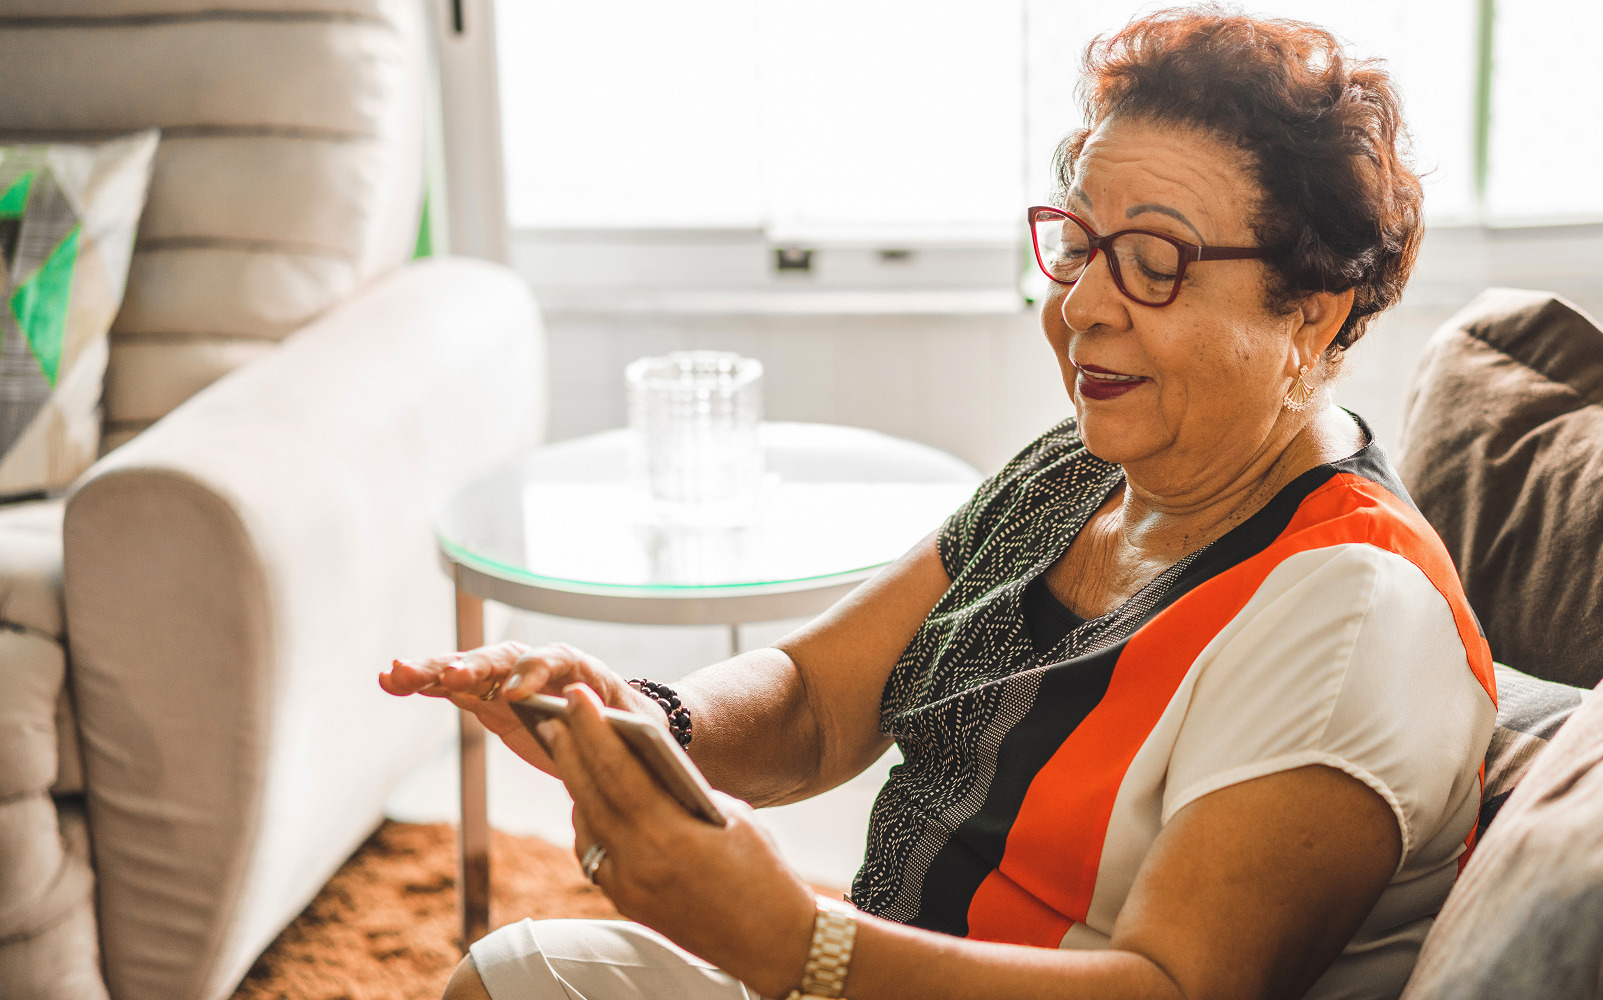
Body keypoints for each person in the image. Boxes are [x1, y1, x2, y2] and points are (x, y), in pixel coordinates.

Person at [380, 7, 1496, 999]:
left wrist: (790, 940)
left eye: (1153, 260)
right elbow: (817, 702)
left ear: (1309, 313)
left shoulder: (1348, 615)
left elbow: (1173, 985)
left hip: (857, 970)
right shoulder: (1076, 472)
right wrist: (644, 722)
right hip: (870, 968)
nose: (1083, 307)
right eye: (1077, 245)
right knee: (509, 973)